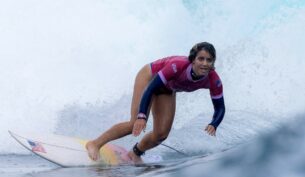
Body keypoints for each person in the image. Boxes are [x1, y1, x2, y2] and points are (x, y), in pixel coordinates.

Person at [86, 42, 225, 163]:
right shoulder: (178, 65)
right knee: (134, 124)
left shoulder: (214, 80)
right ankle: (95, 144)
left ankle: (134, 153)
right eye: (201, 59)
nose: (205, 64)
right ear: (193, 59)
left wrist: (214, 123)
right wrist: (142, 116)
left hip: (167, 89)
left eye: (209, 60)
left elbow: (220, 108)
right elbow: (151, 87)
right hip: (149, 78)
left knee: (161, 134)